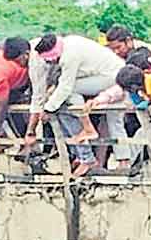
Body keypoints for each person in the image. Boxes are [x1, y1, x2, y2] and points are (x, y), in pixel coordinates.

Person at [23, 33, 127, 176]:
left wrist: (47, 109)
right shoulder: (68, 43)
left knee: (68, 92)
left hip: (112, 76)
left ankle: (87, 132)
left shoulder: (69, 56)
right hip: (102, 75)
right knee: (64, 98)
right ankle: (81, 154)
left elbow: (66, 87)